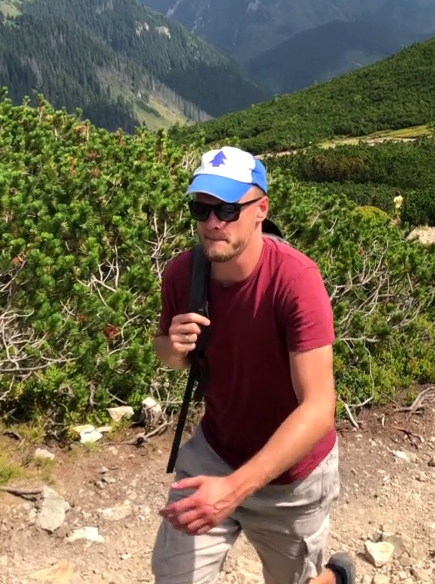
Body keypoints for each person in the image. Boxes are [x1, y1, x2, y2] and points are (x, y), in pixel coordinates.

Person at [151, 146, 356, 584]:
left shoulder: (296, 280)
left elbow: (319, 407)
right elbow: (165, 355)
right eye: (201, 208)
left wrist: (233, 490)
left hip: (291, 476)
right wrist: (174, 346)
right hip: (216, 451)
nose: (212, 223)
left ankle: (335, 575)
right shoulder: (182, 275)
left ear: (261, 209)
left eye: (227, 208)